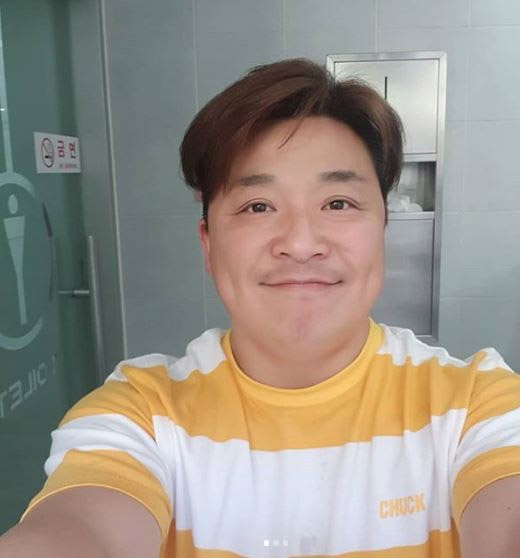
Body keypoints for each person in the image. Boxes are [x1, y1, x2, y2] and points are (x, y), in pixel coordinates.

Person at [1, 58, 520, 558]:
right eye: (257, 206)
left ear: (383, 228)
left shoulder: (478, 407)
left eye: (338, 203)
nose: (301, 243)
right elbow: (81, 528)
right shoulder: (140, 417)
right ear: (208, 244)